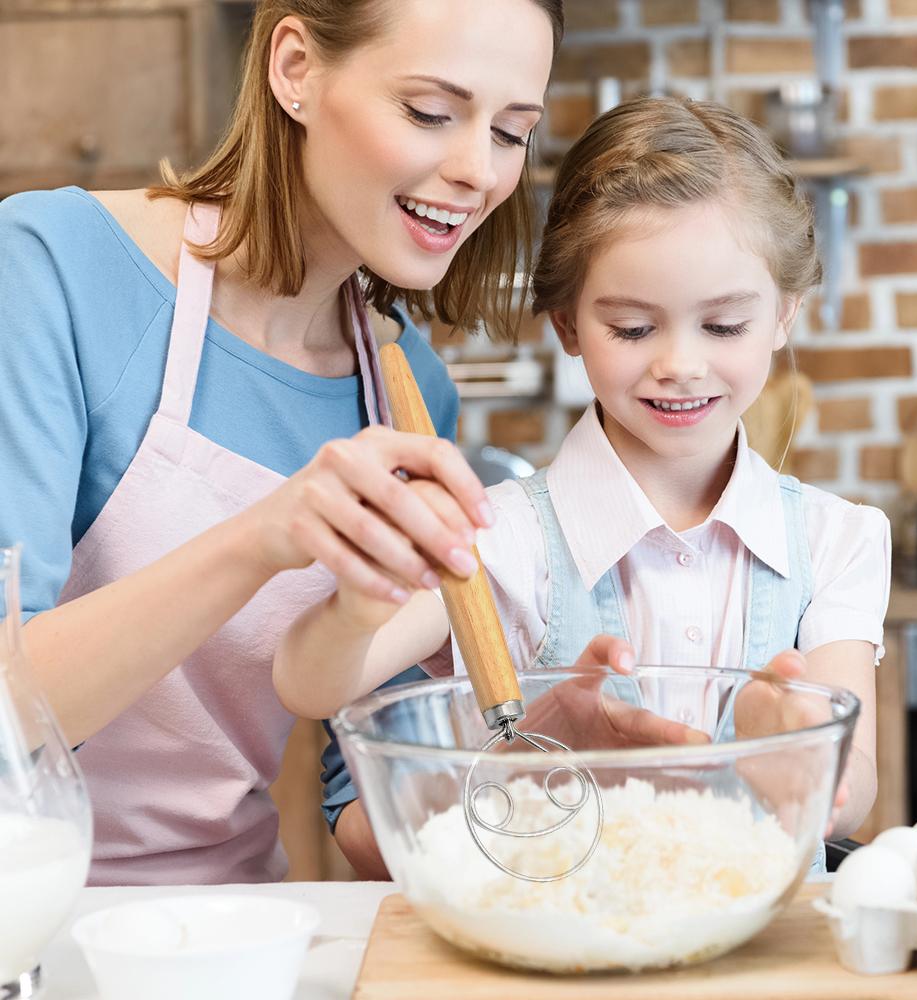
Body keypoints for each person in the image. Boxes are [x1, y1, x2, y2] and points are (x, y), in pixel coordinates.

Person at [0, 0, 566, 885]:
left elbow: (362, 807)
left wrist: (557, 761)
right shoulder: (51, 269)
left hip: (234, 927)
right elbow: (5, 717)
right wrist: (265, 535)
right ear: (295, 68)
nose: (476, 171)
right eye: (430, 113)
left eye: (511, 131)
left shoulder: (410, 398)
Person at [278, 96, 890, 876]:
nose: (680, 363)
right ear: (567, 324)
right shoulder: (497, 537)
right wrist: (362, 603)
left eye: (724, 326)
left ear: (784, 316)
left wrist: (799, 748)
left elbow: (858, 789)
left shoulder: (836, 540)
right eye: (633, 328)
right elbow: (305, 682)